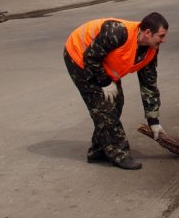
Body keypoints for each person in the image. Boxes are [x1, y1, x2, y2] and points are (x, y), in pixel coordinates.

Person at [64, 12, 169, 170]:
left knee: (117, 102)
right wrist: (105, 82)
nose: (164, 40)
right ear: (148, 33)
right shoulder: (118, 32)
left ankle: (98, 151)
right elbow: (90, 57)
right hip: (79, 56)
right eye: (161, 36)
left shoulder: (150, 51)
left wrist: (153, 121)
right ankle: (119, 154)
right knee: (105, 108)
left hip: (100, 64)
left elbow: (149, 85)